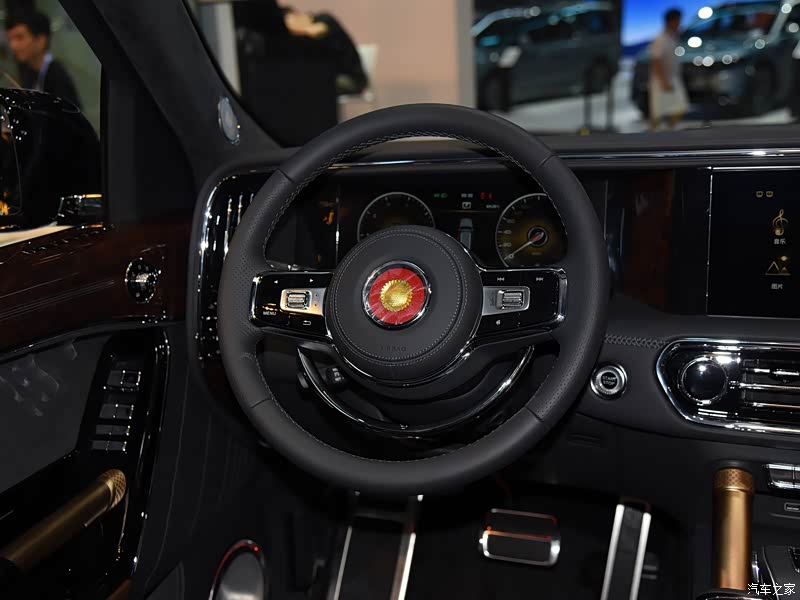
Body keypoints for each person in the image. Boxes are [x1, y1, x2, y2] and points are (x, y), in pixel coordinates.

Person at [5, 10, 81, 109]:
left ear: (41, 40)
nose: (13, 46)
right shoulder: (31, 73)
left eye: (19, 38)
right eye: (10, 39)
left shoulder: (57, 75)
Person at [649, 8, 687, 130]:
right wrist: (663, 81)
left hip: (672, 78)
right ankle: (655, 134)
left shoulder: (671, 37)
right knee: (659, 112)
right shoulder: (660, 39)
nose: (679, 24)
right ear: (671, 21)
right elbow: (656, 61)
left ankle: (669, 131)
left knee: (678, 107)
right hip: (663, 80)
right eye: (678, 21)